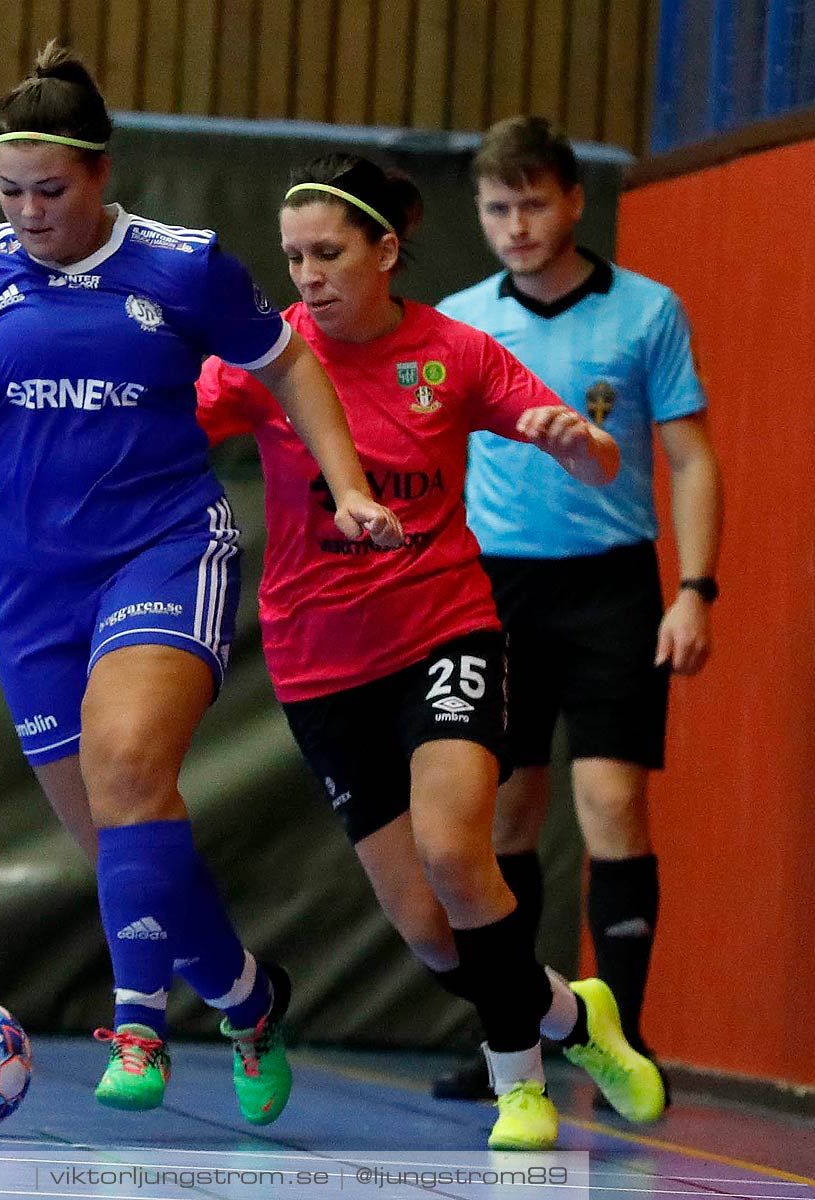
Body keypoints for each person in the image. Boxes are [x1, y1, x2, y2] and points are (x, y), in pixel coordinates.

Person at [0, 44, 403, 1123]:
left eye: (51, 189)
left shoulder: (183, 267)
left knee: (128, 763)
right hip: (29, 582)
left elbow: (289, 364)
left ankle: (138, 1026)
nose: (29, 211)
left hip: (161, 549)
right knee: (122, 845)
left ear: (101, 171)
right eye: (10, 190)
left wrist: (345, 485)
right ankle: (246, 995)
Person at [197, 152, 665, 1150]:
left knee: (457, 849)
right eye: (292, 257)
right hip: (318, 660)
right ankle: (575, 1018)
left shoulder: (450, 353)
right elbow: (167, 427)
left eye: (327, 253)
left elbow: (592, 452)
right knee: (422, 926)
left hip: (441, 628)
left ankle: (518, 1089)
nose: (307, 275)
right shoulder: (268, 355)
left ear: (385, 250)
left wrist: (575, 442)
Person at [431, 116, 723, 1104]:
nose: (513, 225)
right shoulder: (459, 320)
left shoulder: (646, 313)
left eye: (530, 204)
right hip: (491, 589)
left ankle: (620, 1042)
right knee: (500, 810)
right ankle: (508, 1039)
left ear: (569, 202)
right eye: (494, 207)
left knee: (609, 804)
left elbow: (688, 458)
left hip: (610, 587)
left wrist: (692, 589)